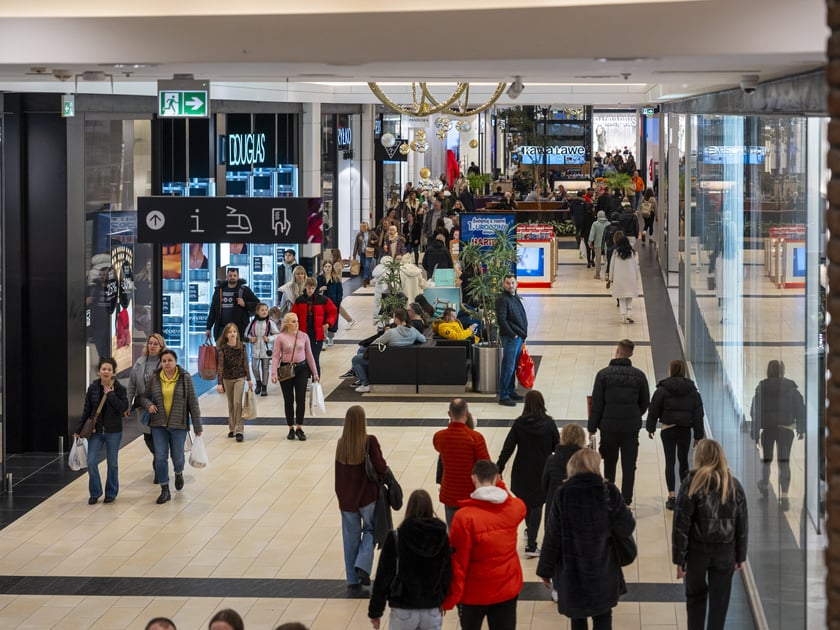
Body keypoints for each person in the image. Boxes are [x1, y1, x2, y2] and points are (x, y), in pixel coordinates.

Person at [537, 449, 636, 630]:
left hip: (572, 572)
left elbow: (553, 536)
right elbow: (627, 527)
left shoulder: (563, 494)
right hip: (603, 569)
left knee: (577, 619)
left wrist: (546, 569)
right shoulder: (609, 492)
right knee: (603, 616)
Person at [672, 440, 748, 630]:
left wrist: (679, 559)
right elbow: (742, 525)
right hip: (725, 551)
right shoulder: (733, 485)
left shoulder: (692, 482)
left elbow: (681, 524)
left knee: (695, 599)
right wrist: (740, 556)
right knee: (719, 603)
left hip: (697, 552)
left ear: (700, 457)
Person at [441, 460, 526, 629]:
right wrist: (498, 483)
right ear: (497, 478)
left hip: (473, 594)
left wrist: (450, 599)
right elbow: (512, 500)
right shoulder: (515, 508)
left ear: (473, 478)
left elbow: (458, 563)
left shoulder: (464, 518)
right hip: (506, 588)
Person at [368, 489, 452, 630]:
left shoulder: (396, 537)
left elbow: (383, 577)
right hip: (431, 607)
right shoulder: (441, 537)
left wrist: (375, 611)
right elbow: (447, 572)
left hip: (403, 608)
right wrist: (442, 598)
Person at [496, 390, 560, 557]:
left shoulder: (519, 424)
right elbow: (558, 447)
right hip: (542, 470)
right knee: (537, 504)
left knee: (526, 503)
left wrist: (499, 467)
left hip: (521, 471)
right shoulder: (549, 424)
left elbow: (508, 447)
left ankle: (530, 533)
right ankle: (531, 545)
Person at [588, 339, 650, 506]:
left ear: (617, 351)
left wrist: (592, 427)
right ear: (631, 354)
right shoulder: (639, 375)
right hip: (631, 429)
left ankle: (609, 498)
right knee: (629, 465)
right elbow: (645, 402)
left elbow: (597, 404)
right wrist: (635, 414)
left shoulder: (603, 375)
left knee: (609, 463)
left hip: (609, 428)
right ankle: (626, 501)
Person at [335, 405, 387, 591]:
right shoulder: (369, 442)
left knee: (350, 539)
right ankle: (362, 564)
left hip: (347, 500)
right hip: (368, 497)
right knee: (372, 530)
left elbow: (338, 473)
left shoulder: (342, 444)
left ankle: (352, 578)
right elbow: (381, 467)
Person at [140, 348, 202, 505]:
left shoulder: (185, 378)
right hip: (158, 424)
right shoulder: (155, 377)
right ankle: (164, 488)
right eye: (164, 361)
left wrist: (197, 426)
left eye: (170, 360)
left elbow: (193, 403)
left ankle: (179, 472)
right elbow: (144, 397)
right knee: (160, 457)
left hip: (178, 424)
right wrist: (149, 405)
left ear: (176, 362)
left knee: (178, 457)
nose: (167, 363)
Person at [646, 359, 706, 510]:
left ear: (671, 371)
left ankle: (672, 496)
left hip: (668, 429)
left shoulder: (662, 390)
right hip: (685, 430)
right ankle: (685, 494)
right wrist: (698, 435)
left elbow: (654, 409)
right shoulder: (692, 391)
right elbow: (698, 414)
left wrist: (650, 427)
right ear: (683, 371)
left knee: (670, 462)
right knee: (684, 461)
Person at [750, 359, 805, 510]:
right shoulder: (791, 388)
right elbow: (801, 408)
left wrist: (755, 433)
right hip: (786, 429)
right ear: (782, 370)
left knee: (767, 459)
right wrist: (801, 428)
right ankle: (785, 496)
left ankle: (765, 484)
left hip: (768, 429)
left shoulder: (762, 387)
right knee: (784, 462)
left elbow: (755, 411)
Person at [74, 356, 129, 504]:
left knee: (113, 463)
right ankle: (95, 492)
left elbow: (123, 408)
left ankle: (111, 492)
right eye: (103, 369)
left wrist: (110, 394)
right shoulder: (92, 388)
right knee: (91, 462)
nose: (106, 372)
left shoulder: (120, 389)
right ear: (99, 372)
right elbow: (87, 410)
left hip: (113, 431)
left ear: (113, 372)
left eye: (109, 369)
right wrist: (78, 429)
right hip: (95, 432)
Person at [432, 398, 491, 528]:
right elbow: (487, 467)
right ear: (467, 413)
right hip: (471, 495)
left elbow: (440, 448)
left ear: (449, 414)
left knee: (453, 534)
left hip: (450, 493)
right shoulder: (476, 438)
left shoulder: (439, 437)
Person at [270, 312, 319, 441]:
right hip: (286, 369)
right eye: (293, 321)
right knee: (288, 399)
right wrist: (274, 373)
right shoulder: (280, 338)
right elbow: (275, 356)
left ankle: (299, 427)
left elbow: (309, 355)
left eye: (297, 321)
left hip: (301, 369)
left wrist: (315, 372)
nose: (296, 323)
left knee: (301, 398)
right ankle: (290, 427)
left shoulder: (304, 336)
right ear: (287, 323)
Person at [125, 333, 167, 483]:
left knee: (159, 437)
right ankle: (159, 458)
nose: (152, 346)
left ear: (161, 346)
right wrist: (128, 404)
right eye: (150, 343)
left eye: (156, 344)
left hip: (161, 408)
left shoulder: (166, 362)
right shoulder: (139, 363)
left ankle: (159, 466)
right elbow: (131, 385)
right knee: (148, 437)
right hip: (144, 406)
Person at [351, 309, 425, 393]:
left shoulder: (391, 332)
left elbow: (374, 344)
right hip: (404, 361)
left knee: (356, 359)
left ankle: (365, 384)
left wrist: (385, 333)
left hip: (387, 361)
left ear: (396, 319)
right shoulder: (413, 330)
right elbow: (423, 339)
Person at [542, 423, 587, 528]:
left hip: (554, 508)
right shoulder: (586, 462)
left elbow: (544, 485)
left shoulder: (552, 460)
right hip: (579, 510)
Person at [292, 276, 337, 376]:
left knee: (314, 358)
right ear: (305, 287)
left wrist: (328, 323)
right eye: (308, 288)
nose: (310, 290)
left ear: (316, 288)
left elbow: (333, 312)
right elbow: (293, 315)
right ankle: (306, 378)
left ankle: (315, 380)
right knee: (303, 357)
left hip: (317, 335)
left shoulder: (323, 300)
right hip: (303, 334)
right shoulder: (299, 300)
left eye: (312, 288)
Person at [216, 322, 252, 443]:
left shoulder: (242, 347)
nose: (232, 334)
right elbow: (220, 366)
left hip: (239, 377)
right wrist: (219, 382)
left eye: (234, 331)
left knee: (237, 403)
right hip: (227, 378)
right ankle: (232, 427)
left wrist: (249, 379)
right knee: (231, 404)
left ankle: (239, 430)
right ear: (226, 334)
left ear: (237, 333)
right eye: (230, 332)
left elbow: (246, 363)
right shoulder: (223, 348)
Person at [495, 274, 528, 406]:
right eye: (508, 283)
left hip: (518, 337)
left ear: (517, 284)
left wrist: (522, 336)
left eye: (513, 283)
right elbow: (502, 320)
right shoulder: (502, 299)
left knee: (513, 366)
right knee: (508, 366)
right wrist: (513, 334)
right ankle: (503, 395)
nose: (510, 285)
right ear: (503, 284)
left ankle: (510, 390)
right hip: (511, 338)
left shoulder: (514, 297)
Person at [205, 267, 259, 342]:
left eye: (234, 275)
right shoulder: (219, 290)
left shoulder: (244, 290)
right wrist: (208, 328)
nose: (232, 277)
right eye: (230, 276)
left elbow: (257, 304)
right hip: (221, 329)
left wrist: (245, 304)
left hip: (239, 330)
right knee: (221, 352)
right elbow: (213, 310)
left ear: (238, 277)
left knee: (237, 352)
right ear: (227, 277)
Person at [245, 302, 278, 397]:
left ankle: (264, 387)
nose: (264, 312)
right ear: (257, 311)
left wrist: (269, 338)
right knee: (254, 367)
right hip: (255, 348)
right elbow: (246, 334)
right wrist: (250, 338)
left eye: (266, 310)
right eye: (262, 310)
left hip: (266, 349)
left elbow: (277, 334)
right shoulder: (253, 322)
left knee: (265, 368)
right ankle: (258, 382)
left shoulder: (270, 323)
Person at [608, 233, 639, 324]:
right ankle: (629, 313)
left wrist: (610, 278)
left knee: (621, 297)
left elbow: (612, 266)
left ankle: (623, 315)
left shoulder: (616, 253)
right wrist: (636, 277)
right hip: (630, 277)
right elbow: (635, 266)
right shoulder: (632, 253)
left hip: (619, 278)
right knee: (629, 296)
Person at [317, 261, 348, 348]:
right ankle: (323, 339)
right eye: (326, 266)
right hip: (322, 304)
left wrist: (337, 303)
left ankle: (331, 338)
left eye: (329, 266)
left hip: (332, 304)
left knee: (332, 322)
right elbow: (315, 290)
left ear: (332, 268)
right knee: (322, 321)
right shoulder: (319, 278)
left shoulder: (336, 279)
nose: (327, 268)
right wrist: (320, 289)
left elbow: (340, 292)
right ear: (323, 268)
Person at [588, 210, 610, 280]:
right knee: (606, 260)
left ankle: (597, 274)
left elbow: (592, 234)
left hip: (597, 244)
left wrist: (590, 242)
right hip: (606, 245)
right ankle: (607, 274)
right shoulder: (608, 224)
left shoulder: (595, 224)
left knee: (598, 260)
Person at [353, 222, 374, 287]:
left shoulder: (371, 233)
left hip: (369, 252)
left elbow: (377, 239)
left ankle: (365, 279)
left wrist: (373, 242)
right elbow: (356, 244)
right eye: (361, 227)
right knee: (365, 266)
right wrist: (354, 254)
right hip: (361, 252)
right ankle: (369, 277)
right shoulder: (359, 234)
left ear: (367, 227)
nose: (362, 228)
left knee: (367, 266)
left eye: (363, 226)